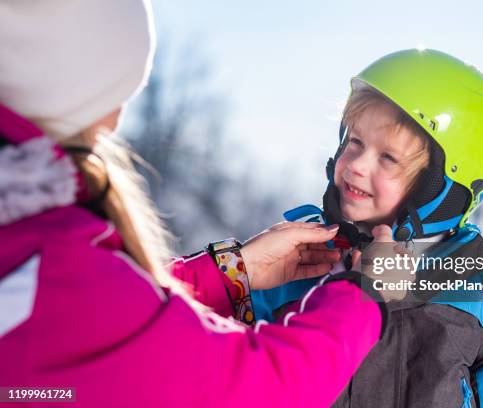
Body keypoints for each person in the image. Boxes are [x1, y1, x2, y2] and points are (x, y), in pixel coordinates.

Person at [0, 1, 388, 407]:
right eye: (120, 95)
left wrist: (232, 273)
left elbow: (116, 347)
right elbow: (261, 387)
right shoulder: (53, 267)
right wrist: (365, 293)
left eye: (389, 157)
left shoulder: (32, 251)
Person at [252, 49, 483, 407]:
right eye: (355, 142)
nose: (357, 165)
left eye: (388, 158)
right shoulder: (292, 264)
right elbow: (234, 377)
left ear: (444, 189)